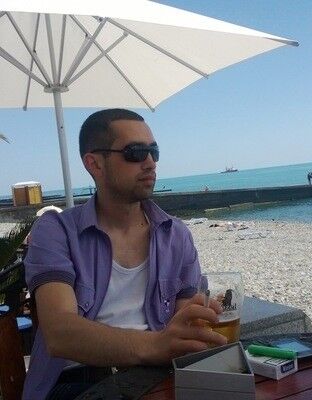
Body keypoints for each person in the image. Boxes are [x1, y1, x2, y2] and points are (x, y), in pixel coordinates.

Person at [23, 109, 226, 400]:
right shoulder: (57, 231)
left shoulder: (176, 235)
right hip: (77, 381)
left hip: (156, 375)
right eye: (135, 152)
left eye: (154, 151)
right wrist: (155, 345)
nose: (150, 162)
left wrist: (197, 327)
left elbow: (185, 324)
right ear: (94, 163)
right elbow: (60, 333)